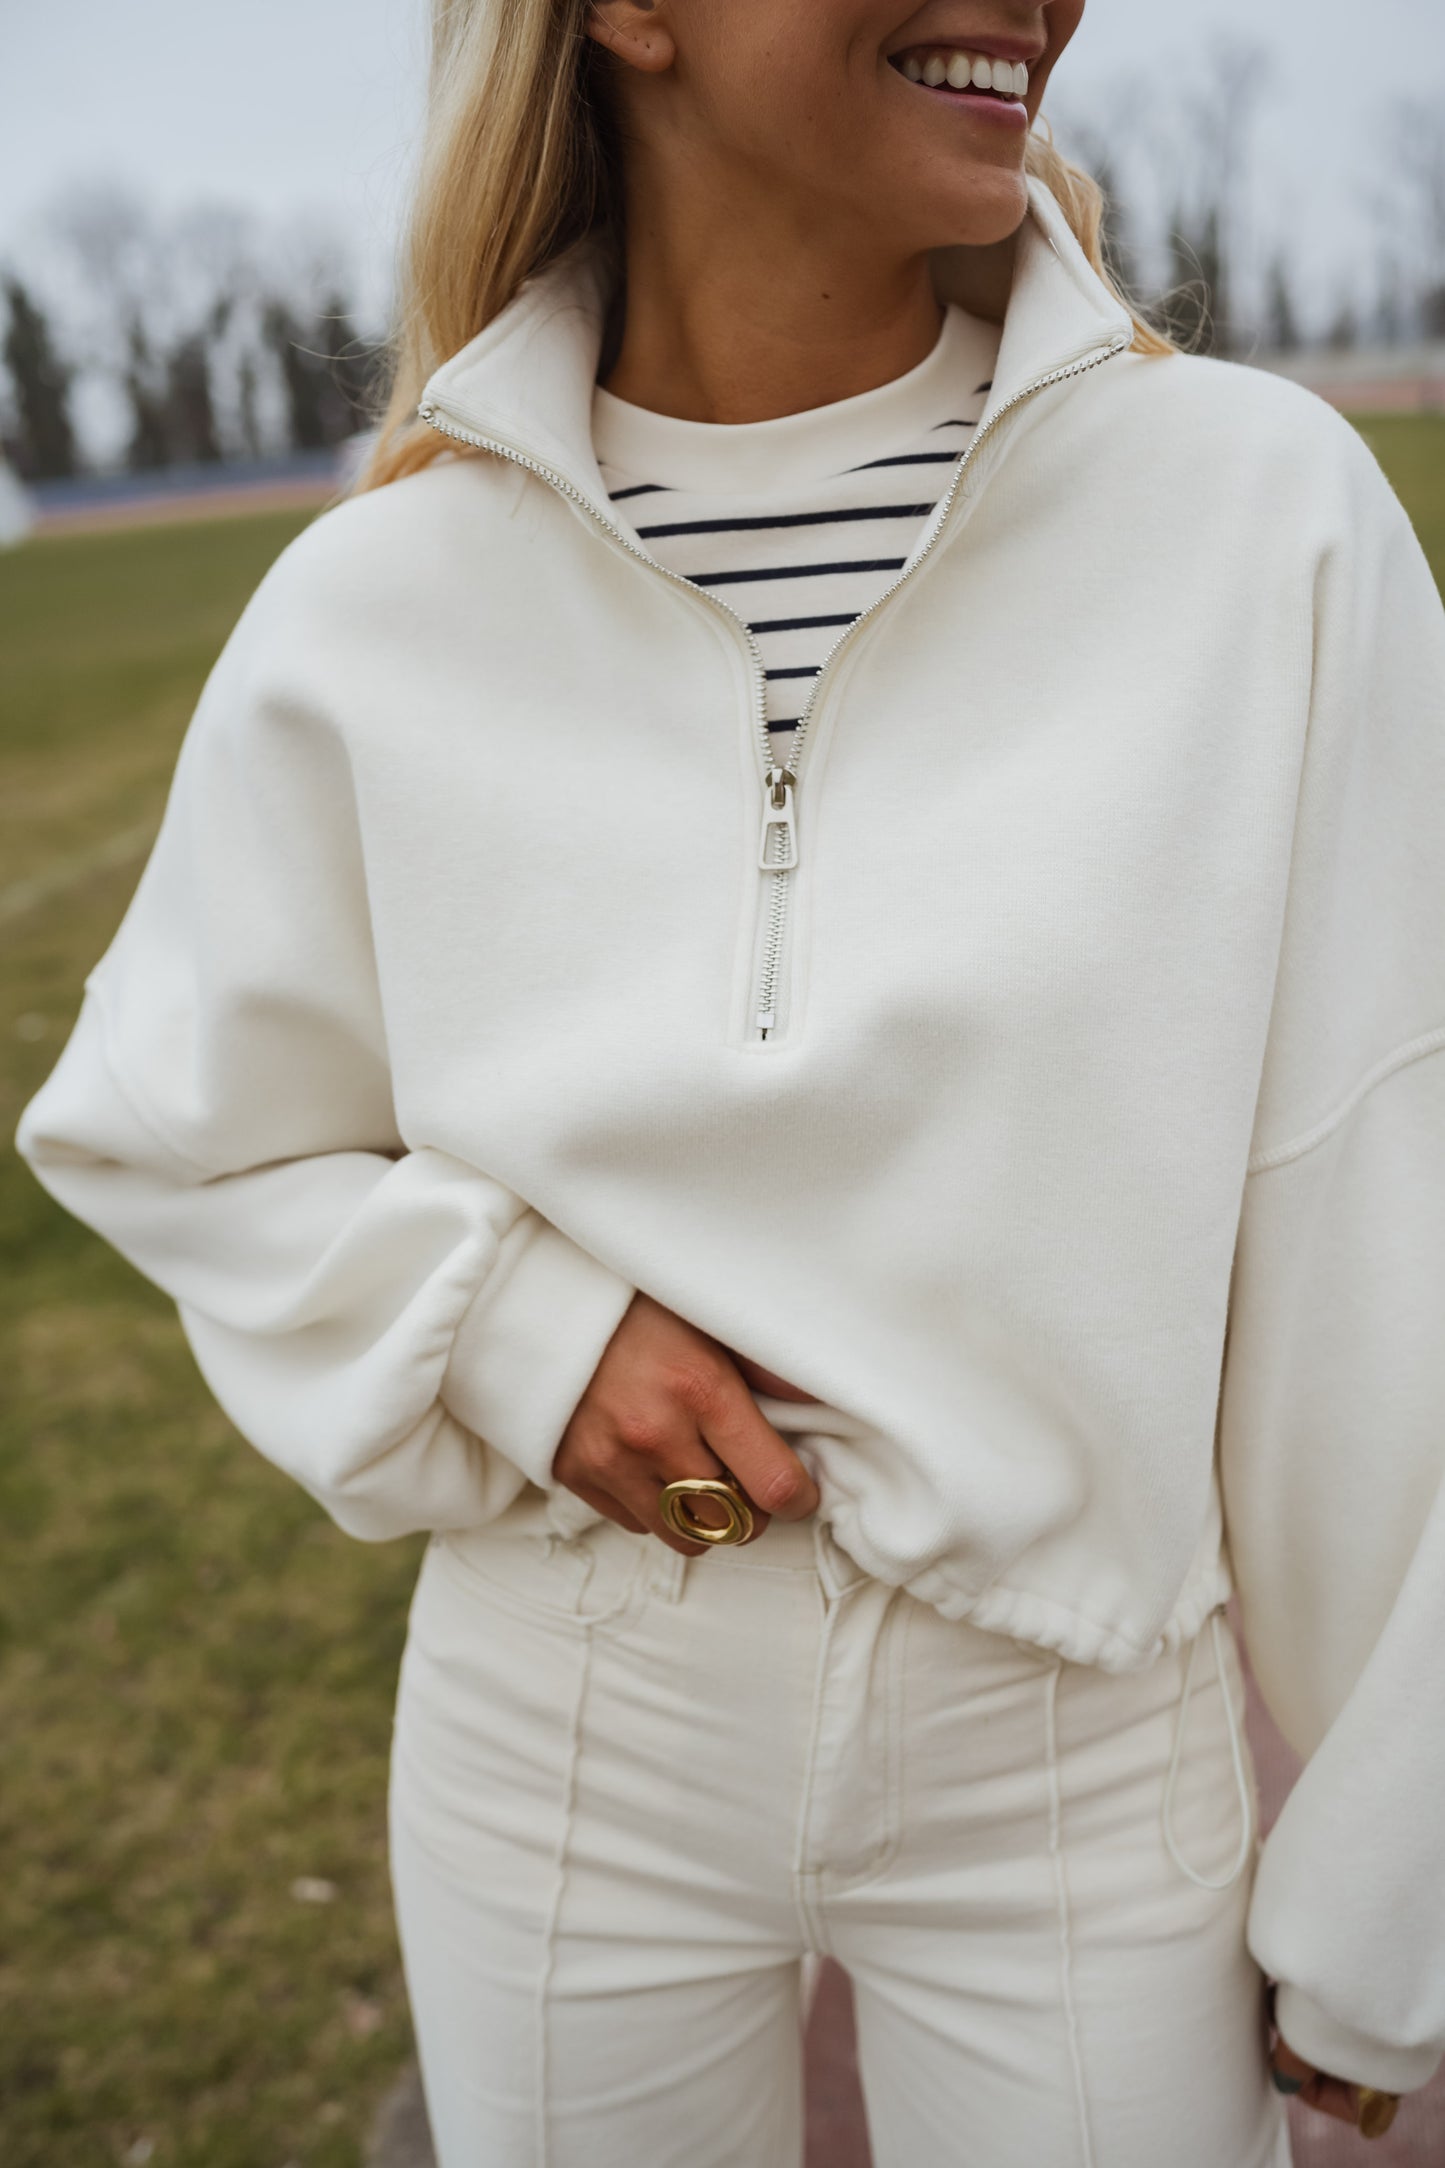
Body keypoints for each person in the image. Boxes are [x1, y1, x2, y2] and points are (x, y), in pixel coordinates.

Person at [16, 1, 1445, 2161]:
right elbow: (164, 1123)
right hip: (563, 1733)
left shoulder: (1264, 524)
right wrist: (508, 1327)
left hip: (1075, 1738)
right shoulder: (377, 602)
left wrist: (1390, 1894)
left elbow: (1388, 1220)